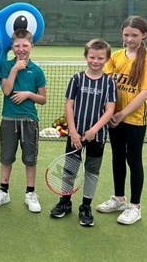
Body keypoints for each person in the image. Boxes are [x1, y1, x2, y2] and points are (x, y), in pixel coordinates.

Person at [96, 16, 147, 225]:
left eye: (134, 35)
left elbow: (145, 93)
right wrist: (108, 113)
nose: (129, 39)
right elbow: (104, 82)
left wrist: (122, 114)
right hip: (114, 118)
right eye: (126, 35)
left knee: (134, 160)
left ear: (144, 36)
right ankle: (119, 198)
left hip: (134, 120)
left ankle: (135, 206)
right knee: (117, 157)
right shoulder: (115, 56)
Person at [49, 39, 117, 227]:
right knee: (70, 168)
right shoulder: (76, 79)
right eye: (92, 57)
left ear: (107, 59)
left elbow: (110, 110)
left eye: (100, 58)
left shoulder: (109, 83)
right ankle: (65, 202)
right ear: (86, 56)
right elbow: (69, 105)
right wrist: (73, 131)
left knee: (92, 171)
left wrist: (94, 130)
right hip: (75, 135)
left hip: (98, 137)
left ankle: (85, 207)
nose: (95, 61)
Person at [0, 29, 47, 213]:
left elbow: (43, 99)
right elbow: (6, 90)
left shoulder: (37, 71)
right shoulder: (6, 65)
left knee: (30, 159)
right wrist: (14, 69)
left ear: (31, 46)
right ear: (12, 47)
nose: (21, 49)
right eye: (17, 45)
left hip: (29, 121)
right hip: (8, 120)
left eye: (25, 45)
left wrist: (28, 94)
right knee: (6, 158)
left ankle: (30, 193)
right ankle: (4, 191)